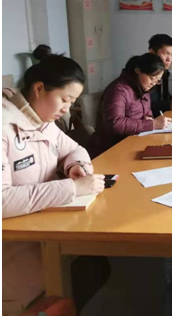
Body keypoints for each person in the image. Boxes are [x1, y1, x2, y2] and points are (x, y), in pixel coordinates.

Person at [2, 55, 107, 312]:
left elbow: (75, 149)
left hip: (45, 227)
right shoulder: (6, 126)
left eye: (72, 102)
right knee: (86, 272)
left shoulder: (42, 120)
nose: (67, 110)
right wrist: (72, 189)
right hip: (13, 246)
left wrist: (76, 167)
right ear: (39, 88)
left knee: (96, 266)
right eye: (64, 99)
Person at [90, 53, 172, 158]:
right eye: (152, 78)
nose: (154, 83)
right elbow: (114, 123)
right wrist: (152, 124)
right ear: (138, 71)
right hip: (111, 148)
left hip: (133, 142)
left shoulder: (144, 89)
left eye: (158, 80)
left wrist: (148, 119)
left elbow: (147, 114)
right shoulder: (118, 90)